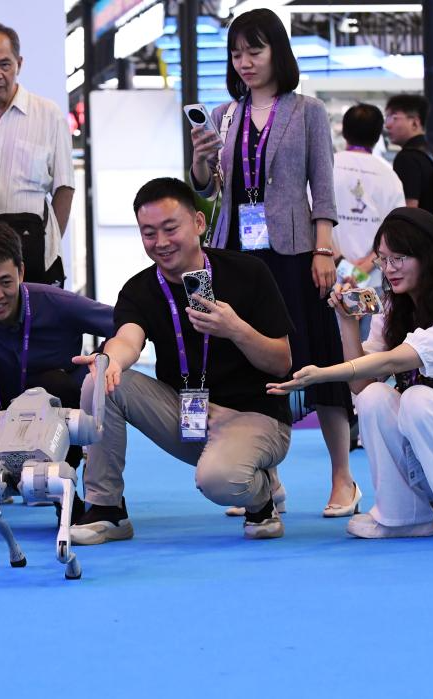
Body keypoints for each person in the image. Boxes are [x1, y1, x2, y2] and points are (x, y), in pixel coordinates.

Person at [268, 208, 433, 541]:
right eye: (383, 260)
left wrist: (321, 374)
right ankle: (403, 515)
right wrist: (347, 322)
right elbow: (361, 385)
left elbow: (389, 362)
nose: (389, 269)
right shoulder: (391, 311)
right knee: (374, 397)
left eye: (399, 258)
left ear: (428, 257)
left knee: (416, 398)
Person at [189, 8, 355, 517]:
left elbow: (322, 186)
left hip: (294, 253)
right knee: (245, 365)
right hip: (235, 254)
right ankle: (264, 477)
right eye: (236, 53)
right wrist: (200, 161)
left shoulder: (307, 111)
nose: (244, 62)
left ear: (277, 52)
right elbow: (207, 191)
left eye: (254, 51)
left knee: (318, 360)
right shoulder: (224, 115)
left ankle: (343, 479)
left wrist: (323, 249)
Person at [68, 178, 293, 545]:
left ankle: (262, 494)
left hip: (254, 414)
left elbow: (281, 363)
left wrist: (236, 329)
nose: (161, 242)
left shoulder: (249, 272)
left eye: (170, 228)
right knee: (100, 381)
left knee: (219, 481)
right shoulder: (139, 289)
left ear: (198, 224)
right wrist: (110, 359)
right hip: (189, 414)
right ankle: (107, 509)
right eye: (149, 233)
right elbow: (128, 338)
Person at [0, 222, 113, 534]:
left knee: (62, 386)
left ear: (21, 272)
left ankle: (64, 494)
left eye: (5, 282)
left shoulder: (53, 301)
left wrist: (101, 361)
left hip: (44, 407)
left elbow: (126, 323)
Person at [0, 22, 75, 286]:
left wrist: (47, 242)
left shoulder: (49, 114)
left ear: (19, 64)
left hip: (36, 257)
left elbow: (64, 187)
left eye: (5, 64)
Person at [332, 103, 406, 338]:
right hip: (372, 281)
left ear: (344, 131)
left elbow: (311, 219)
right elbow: (397, 231)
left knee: (331, 349)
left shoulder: (327, 166)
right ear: (378, 135)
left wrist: (341, 263)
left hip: (330, 277)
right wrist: (362, 269)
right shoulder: (390, 175)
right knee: (367, 349)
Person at [384, 94, 433, 213]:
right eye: (387, 118)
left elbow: (409, 210)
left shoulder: (407, 157)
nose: (387, 125)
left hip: (417, 225)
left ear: (415, 122)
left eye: (394, 117)